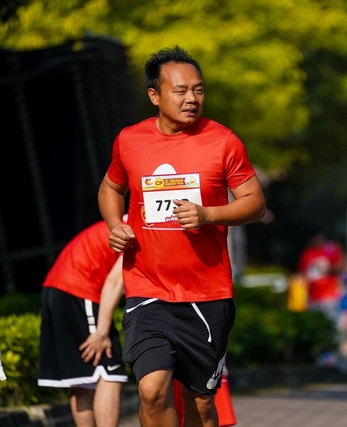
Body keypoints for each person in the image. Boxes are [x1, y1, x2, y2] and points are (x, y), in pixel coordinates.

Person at [97, 46, 266, 427]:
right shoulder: (130, 140)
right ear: (154, 95)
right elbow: (110, 187)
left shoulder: (223, 141)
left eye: (198, 90)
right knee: (151, 390)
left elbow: (255, 203)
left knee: (201, 405)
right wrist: (114, 225)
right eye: (181, 90)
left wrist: (208, 214)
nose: (192, 98)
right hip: (148, 288)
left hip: (207, 295)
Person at [38, 219, 127, 427]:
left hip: (56, 288)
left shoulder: (122, 222)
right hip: (80, 289)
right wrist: (101, 332)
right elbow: (114, 281)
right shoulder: (140, 229)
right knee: (111, 372)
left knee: (84, 380)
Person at [297, 225, 345, 324]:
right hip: (313, 296)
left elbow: (340, 266)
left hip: (329, 296)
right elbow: (303, 273)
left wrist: (326, 269)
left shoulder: (330, 250)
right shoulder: (308, 253)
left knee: (331, 324)